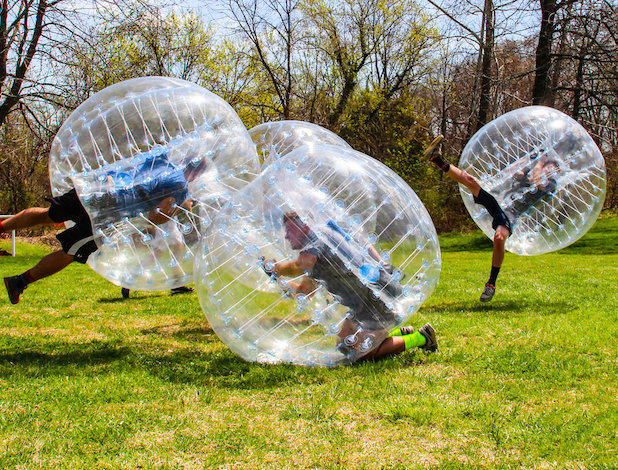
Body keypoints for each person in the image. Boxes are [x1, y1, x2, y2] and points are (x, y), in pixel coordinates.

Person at [2, 150, 207, 305]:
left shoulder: (160, 159)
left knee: (48, 214)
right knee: (70, 252)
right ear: (197, 175)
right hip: (110, 211)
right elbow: (156, 216)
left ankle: (1, 226)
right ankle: (19, 281)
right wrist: (180, 206)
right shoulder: (180, 187)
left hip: (97, 187)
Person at [261, 211, 437, 362]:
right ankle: (399, 334)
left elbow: (302, 263)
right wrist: (277, 278)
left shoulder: (316, 243)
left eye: (289, 230)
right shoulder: (323, 242)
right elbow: (303, 293)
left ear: (305, 226)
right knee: (345, 345)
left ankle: (422, 337)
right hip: (366, 302)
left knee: (361, 353)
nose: (286, 236)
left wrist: (275, 268)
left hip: (376, 299)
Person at [424, 135, 512, 302]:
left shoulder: (547, 182)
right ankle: (436, 158)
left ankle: (491, 284)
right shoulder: (529, 167)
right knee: (470, 181)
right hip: (498, 199)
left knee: (499, 238)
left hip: (510, 214)